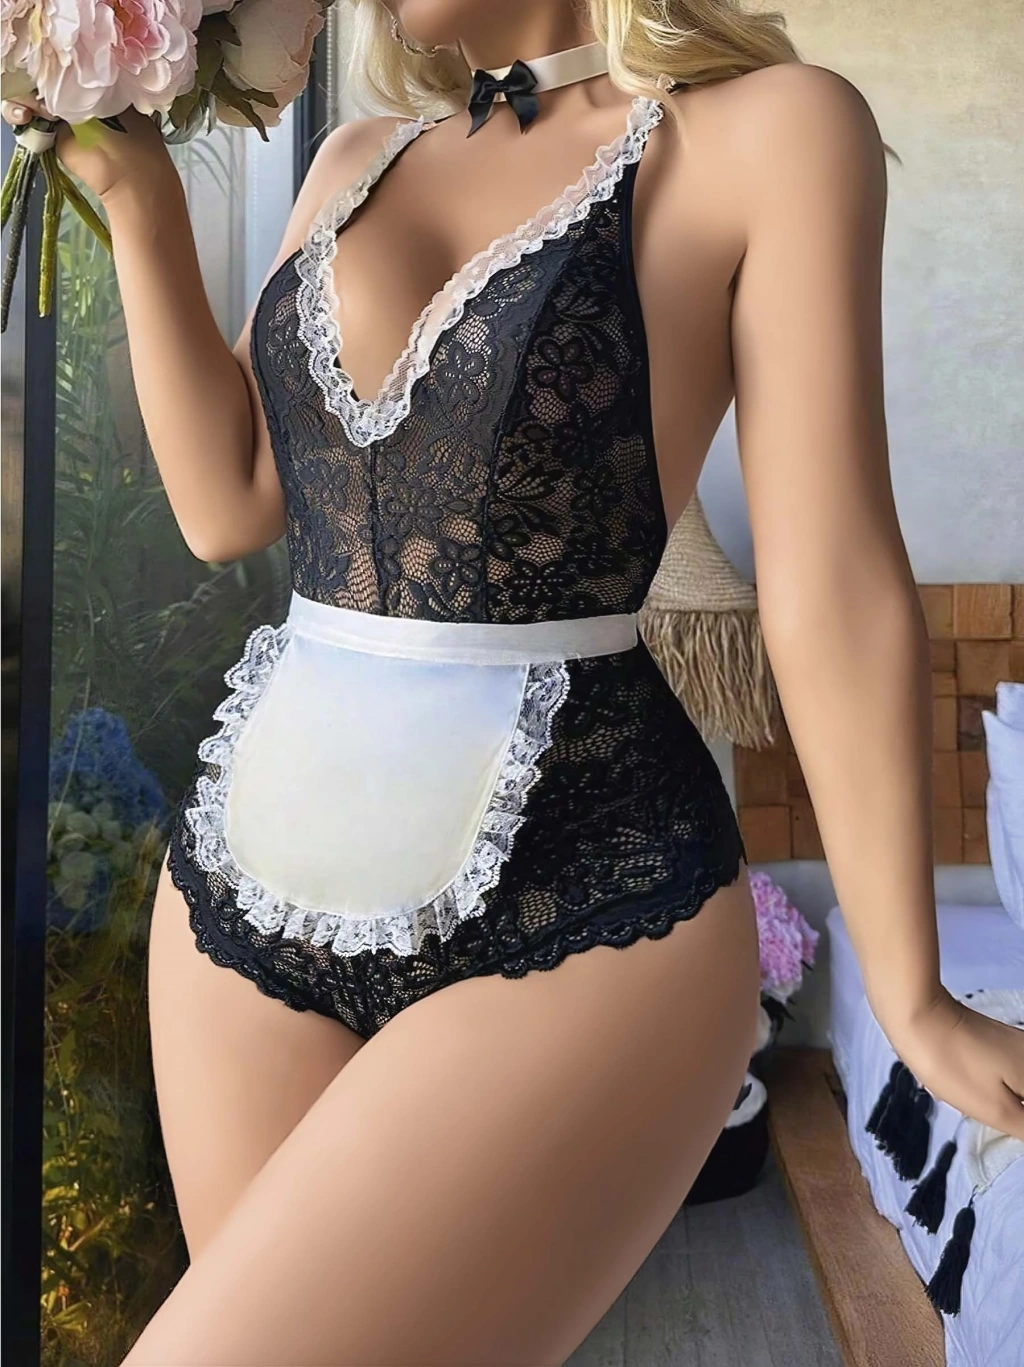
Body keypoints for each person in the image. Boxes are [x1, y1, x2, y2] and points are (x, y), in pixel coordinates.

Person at [7, 2, 1023, 1363]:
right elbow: (227, 501)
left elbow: (830, 579)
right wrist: (139, 195)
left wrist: (912, 993)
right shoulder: (354, 155)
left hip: (586, 896)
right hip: (239, 914)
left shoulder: (772, 133)